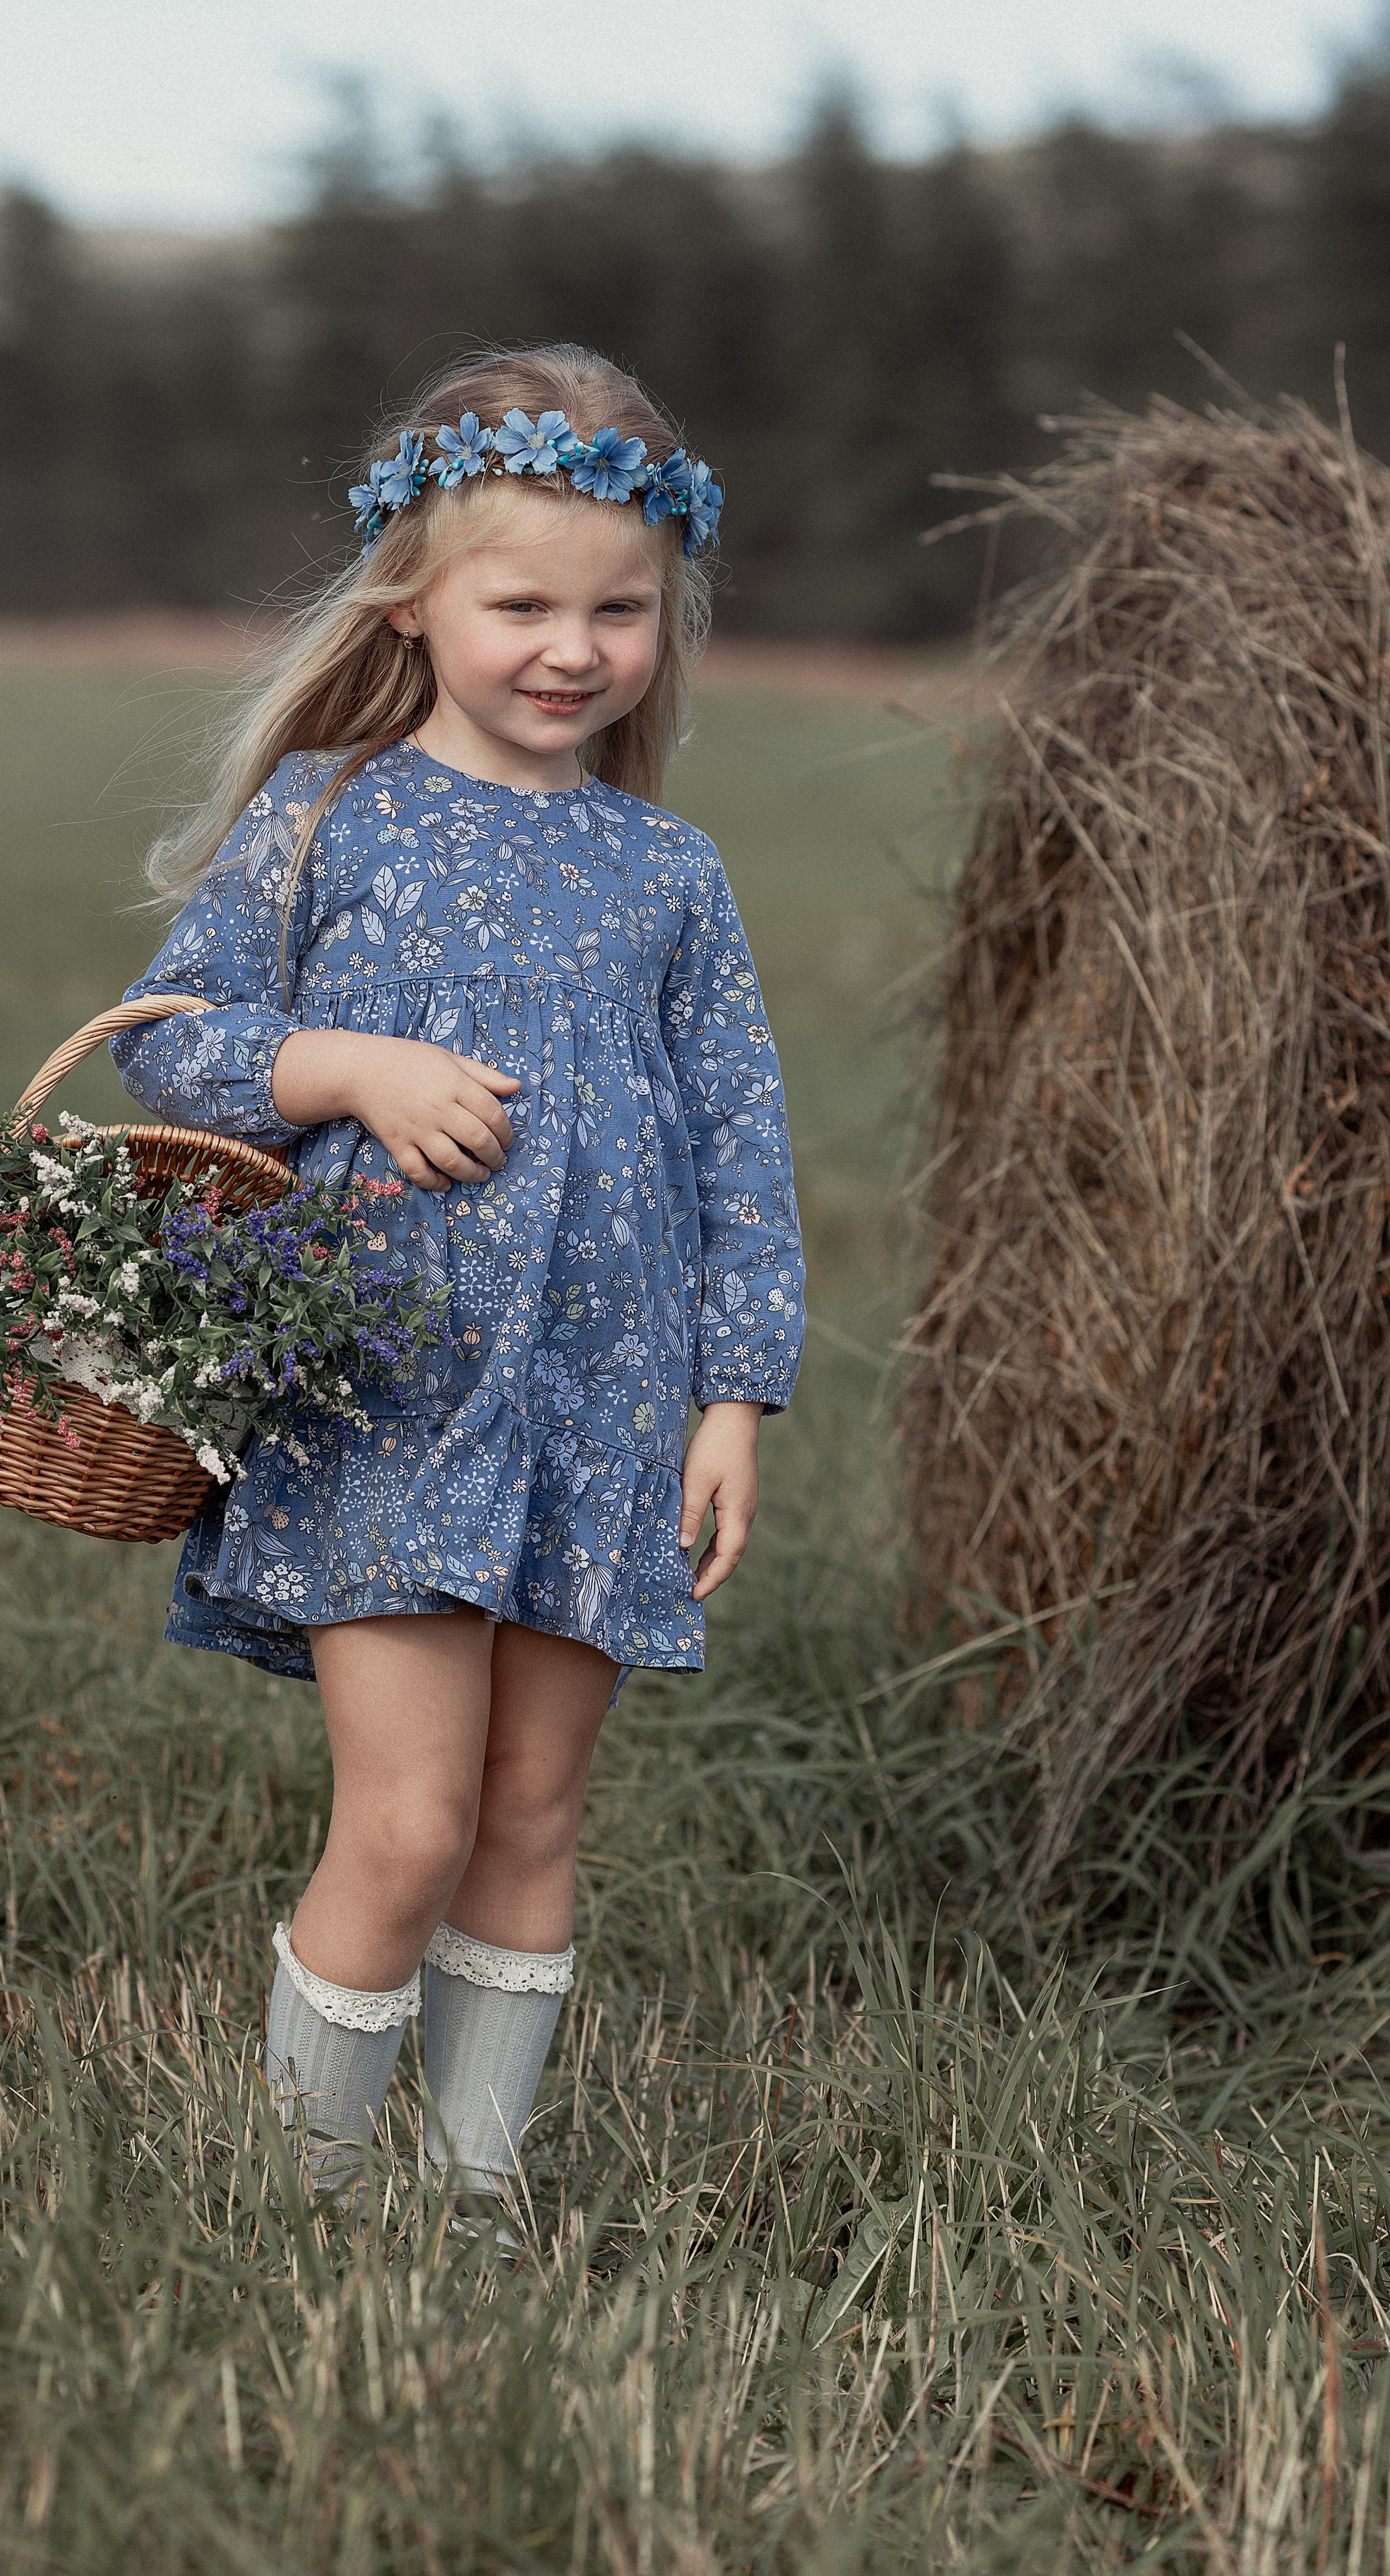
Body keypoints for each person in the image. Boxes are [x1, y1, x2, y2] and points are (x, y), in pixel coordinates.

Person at [112, 344, 804, 2214]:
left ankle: (473, 2203)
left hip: (601, 1413)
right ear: (413, 601)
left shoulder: (672, 872)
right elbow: (169, 1039)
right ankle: (308, 2209)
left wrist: (733, 1396)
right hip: (386, 1395)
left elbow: (744, 1145)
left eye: (618, 609)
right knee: (410, 1825)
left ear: (669, 612)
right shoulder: (328, 817)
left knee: (531, 1819)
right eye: (522, 603)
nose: (571, 647)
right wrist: (345, 1070)